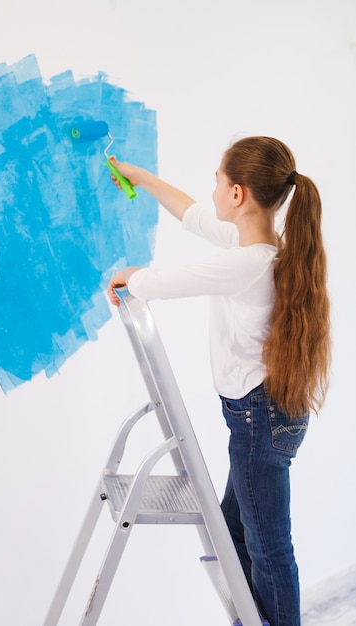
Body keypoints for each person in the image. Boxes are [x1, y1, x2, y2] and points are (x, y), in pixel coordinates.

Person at [106, 136, 331, 626]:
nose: (212, 190)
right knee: (235, 528)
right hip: (269, 415)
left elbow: (171, 280)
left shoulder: (244, 264)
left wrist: (131, 278)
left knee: (269, 544)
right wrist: (139, 177)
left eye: (217, 181)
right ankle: (253, 618)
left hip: (258, 420)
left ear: (237, 195)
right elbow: (190, 214)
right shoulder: (259, 249)